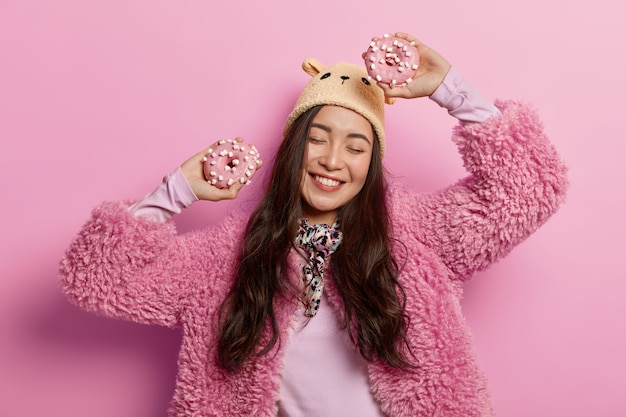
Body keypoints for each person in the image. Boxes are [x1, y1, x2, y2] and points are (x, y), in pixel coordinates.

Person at [59, 32, 568, 416]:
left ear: (371, 162)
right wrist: (178, 189)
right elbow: (97, 280)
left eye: (355, 145)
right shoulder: (222, 258)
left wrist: (451, 90)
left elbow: (528, 188)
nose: (332, 160)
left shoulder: (415, 233)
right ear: (293, 150)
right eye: (318, 138)